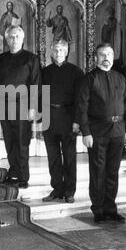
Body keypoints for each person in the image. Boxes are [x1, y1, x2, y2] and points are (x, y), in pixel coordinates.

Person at [76, 43, 126, 224]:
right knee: (98, 172)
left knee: (113, 172)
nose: (106, 57)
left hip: (118, 132)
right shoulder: (89, 79)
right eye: (102, 54)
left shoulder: (120, 78)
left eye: (109, 54)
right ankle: (98, 209)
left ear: (113, 56)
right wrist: (86, 133)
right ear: (96, 57)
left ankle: (111, 208)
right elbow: (81, 108)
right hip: (97, 132)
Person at [0, 25, 41, 189]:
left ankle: (23, 176)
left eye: (17, 37)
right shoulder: (0, 59)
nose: (14, 40)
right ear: (6, 39)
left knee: (22, 141)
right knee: (9, 141)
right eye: (11, 37)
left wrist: (32, 107)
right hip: (4, 105)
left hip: (23, 104)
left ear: (22, 38)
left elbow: (35, 83)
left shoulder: (31, 58)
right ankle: (13, 172)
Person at [41, 40, 83, 203]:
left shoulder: (76, 72)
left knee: (69, 156)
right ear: (51, 52)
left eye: (62, 50)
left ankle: (70, 191)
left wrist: (77, 121)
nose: (58, 52)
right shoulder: (45, 72)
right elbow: (40, 95)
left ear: (67, 52)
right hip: (49, 117)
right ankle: (57, 189)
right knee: (53, 157)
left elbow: (81, 99)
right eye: (56, 49)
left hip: (68, 118)